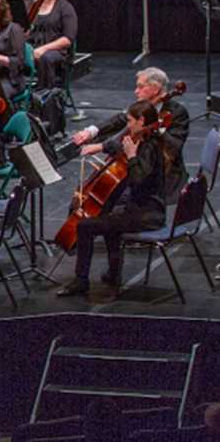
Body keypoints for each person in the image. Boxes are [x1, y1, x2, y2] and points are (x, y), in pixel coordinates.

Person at [58, 100, 166, 296]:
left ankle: (81, 281)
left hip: (148, 214)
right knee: (109, 220)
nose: (128, 125)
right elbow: (117, 147)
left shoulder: (150, 148)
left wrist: (131, 156)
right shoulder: (138, 140)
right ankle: (113, 273)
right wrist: (101, 148)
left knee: (85, 226)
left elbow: (138, 182)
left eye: (131, 121)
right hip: (137, 209)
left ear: (142, 121)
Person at [72, 67, 188, 199]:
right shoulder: (143, 106)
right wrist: (91, 131)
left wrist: (157, 127)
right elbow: (120, 119)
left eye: (140, 87)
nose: (135, 91)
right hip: (137, 168)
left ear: (155, 89)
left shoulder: (178, 113)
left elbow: (174, 147)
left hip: (162, 176)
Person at [29, 0, 77, 89]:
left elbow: (67, 39)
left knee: (46, 58)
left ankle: (44, 96)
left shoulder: (65, 8)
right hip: (33, 49)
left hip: (56, 52)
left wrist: (43, 49)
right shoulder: (31, 6)